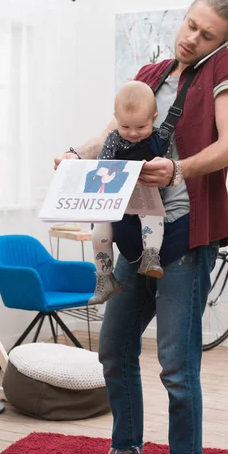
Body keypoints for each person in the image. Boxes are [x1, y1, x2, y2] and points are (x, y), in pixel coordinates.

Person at [55, 0, 228, 454]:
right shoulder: (153, 70)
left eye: (206, 34)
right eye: (190, 25)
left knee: (175, 364)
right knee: (115, 345)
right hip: (133, 232)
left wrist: (180, 170)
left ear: (223, 40)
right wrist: (77, 156)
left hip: (187, 234)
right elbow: (115, 134)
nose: (192, 37)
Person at [86, 82, 168, 305]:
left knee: (153, 217)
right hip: (115, 198)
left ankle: (151, 256)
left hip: (146, 196)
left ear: (154, 117)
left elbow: (168, 170)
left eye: (141, 127)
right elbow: (102, 166)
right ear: (116, 118)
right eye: (125, 127)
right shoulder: (113, 139)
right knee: (98, 235)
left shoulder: (160, 139)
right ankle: (105, 277)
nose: (132, 134)